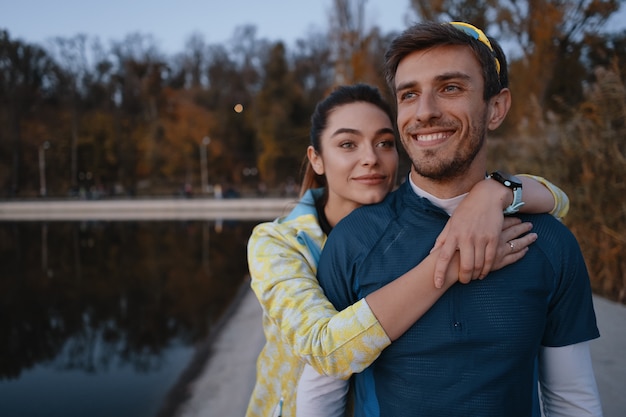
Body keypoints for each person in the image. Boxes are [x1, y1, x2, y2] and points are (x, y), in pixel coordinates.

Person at [316, 22, 602, 417]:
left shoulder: (549, 243)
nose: (426, 112)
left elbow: (571, 399)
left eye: (450, 88)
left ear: (496, 108)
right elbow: (321, 394)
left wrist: (496, 192)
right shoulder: (354, 239)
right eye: (409, 94)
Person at [246, 83, 570, 416]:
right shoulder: (277, 243)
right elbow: (325, 350)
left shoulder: (409, 222)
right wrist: (449, 266)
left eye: (384, 143)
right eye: (348, 144)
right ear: (316, 159)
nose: (371, 159)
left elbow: (559, 200)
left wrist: (494, 192)